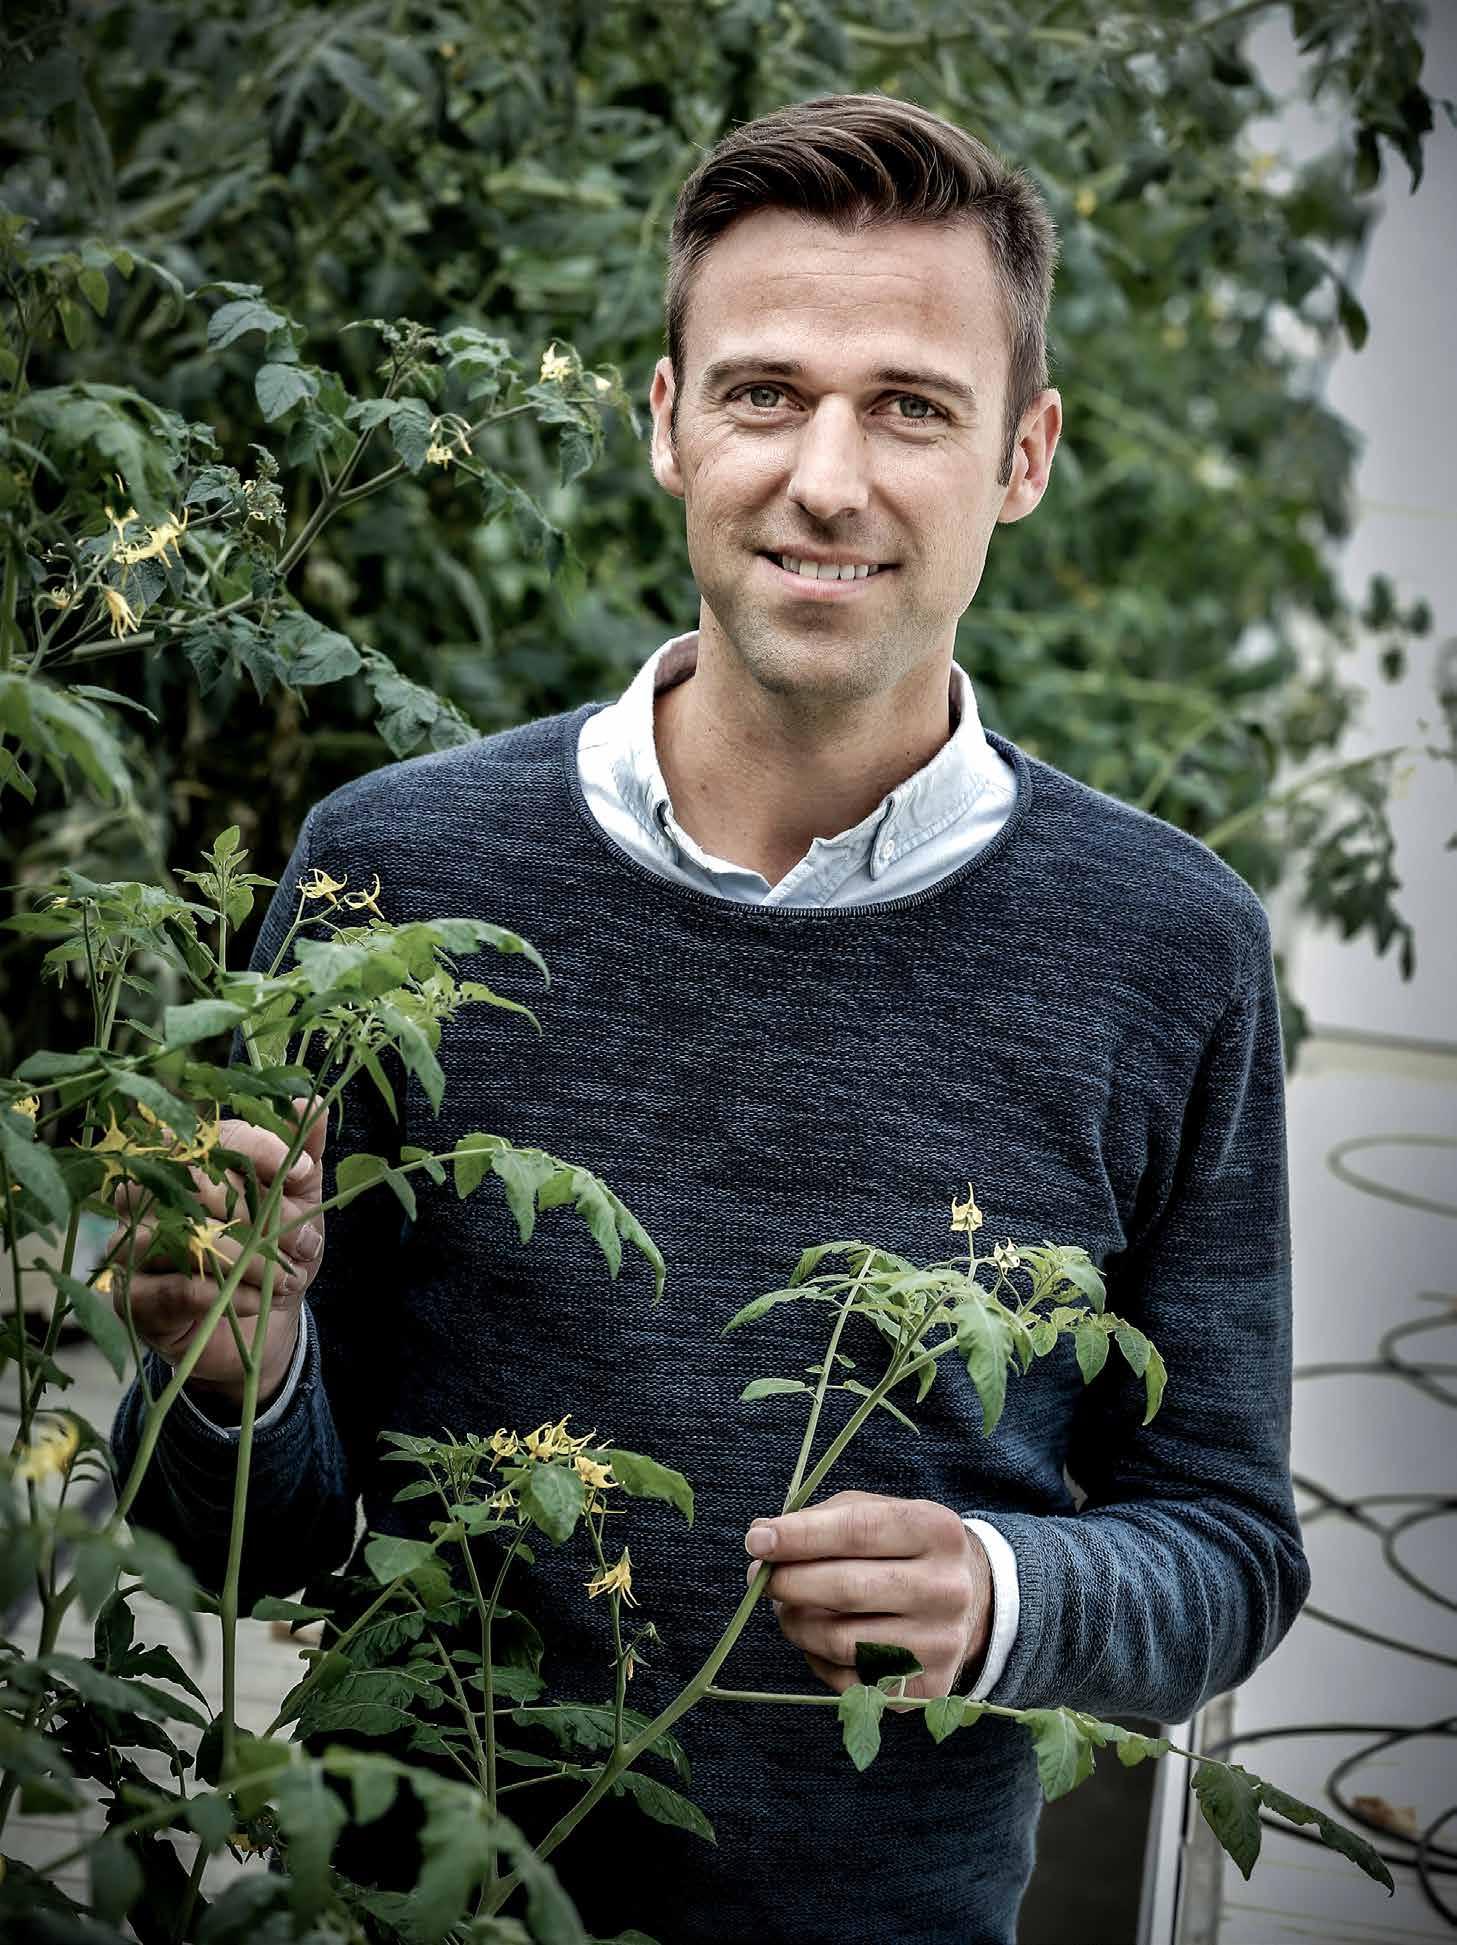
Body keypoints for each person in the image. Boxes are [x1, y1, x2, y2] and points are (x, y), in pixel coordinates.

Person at [110, 93, 1310, 1944]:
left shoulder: (1169, 948)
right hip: (409, 1913)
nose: (826, 477)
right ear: (667, 421)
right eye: (765, 393)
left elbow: (1226, 1543)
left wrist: (1000, 1592)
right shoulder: (392, 873)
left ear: (1023, 454)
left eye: (908, 407)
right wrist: (233, 1373)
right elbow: (236, 1545)